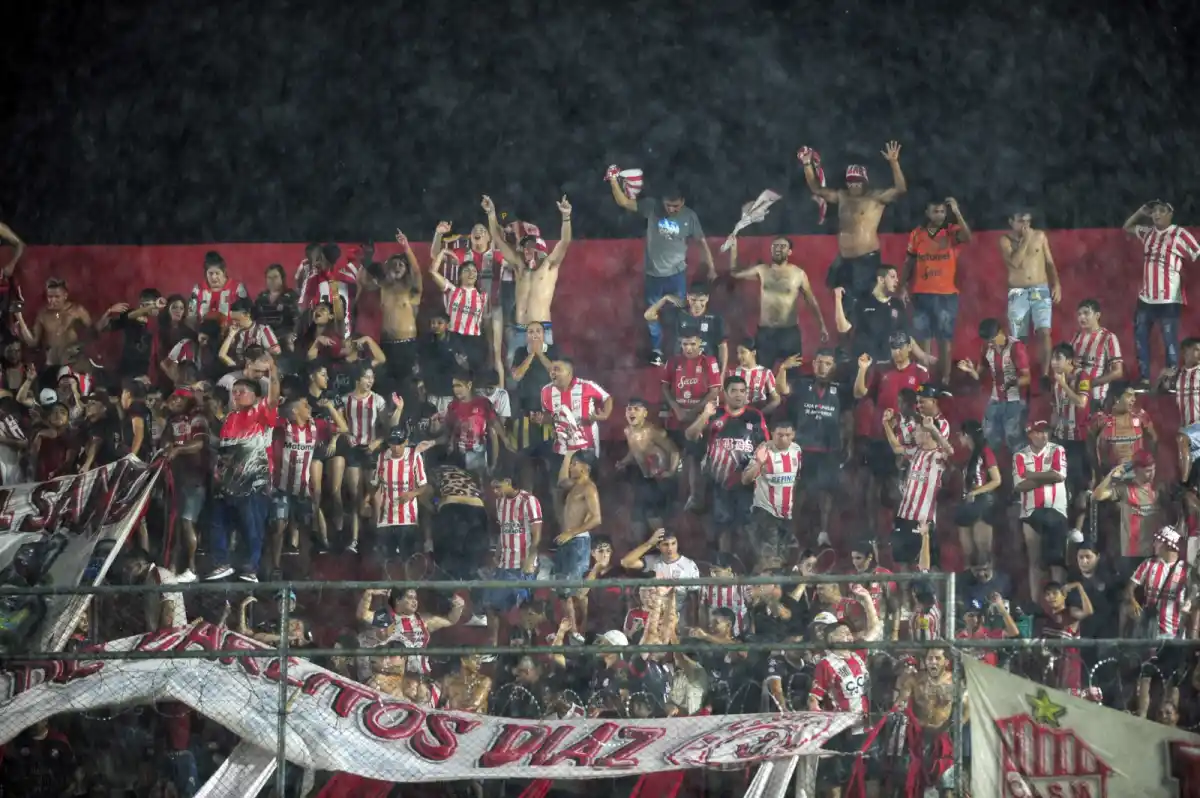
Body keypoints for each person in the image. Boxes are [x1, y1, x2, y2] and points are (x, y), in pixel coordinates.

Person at [799, 142, 907, 328]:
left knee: (865, 303)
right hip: (845, 259)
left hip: (866, 259)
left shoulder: (875, 197)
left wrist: (894, 162)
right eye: (850, 181)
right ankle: (847, 345)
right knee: (841, 299)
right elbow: (817, 189)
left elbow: (900, 189)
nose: (853, 185)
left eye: (857, 181)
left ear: (864, 181)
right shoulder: (842, 196)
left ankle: (866, 343)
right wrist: (807, 164)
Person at [608, 181, 715, 366]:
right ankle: (657, 351)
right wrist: (612, 179)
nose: (672, 209)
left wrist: (711, 267)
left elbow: (702, 242)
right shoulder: (652, 207)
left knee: (680, 314)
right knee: (652, 315)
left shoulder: (689, 216)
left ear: (683, 202)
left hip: (676, 275)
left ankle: (678, 352)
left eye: (676, 206)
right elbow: (624, 202)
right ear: (662, 202)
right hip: (654, 275)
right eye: (668, 205)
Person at [206, 355, 280, 582]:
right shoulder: (230, 418)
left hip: (253, 482)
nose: (236, 395)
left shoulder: (260, 412)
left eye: (242, 391)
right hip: (226, 483)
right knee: (217, 522)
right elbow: (225, 451)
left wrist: (272, 370)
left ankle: (251, 568)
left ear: (256, 396)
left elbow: (274, 395)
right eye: (234, 392)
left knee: (252, 527)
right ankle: (222, 563)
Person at [482, 194, 574, 365]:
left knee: (543, 373)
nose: (525, 251)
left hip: (541, 330)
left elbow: (565, 241)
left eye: (530, 248)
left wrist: (566, 217)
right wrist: (491, 213)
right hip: (519, 329)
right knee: (514, 372)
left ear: (539, 249)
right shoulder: (520, 266)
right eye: (524, 248)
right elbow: (497, 238)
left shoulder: (549, 265)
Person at [686, 376, 770, 554]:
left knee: (746, 526)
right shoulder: (715, 414)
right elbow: (691, 435)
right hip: (718, 481)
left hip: (746, 481)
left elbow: (764, 444)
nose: (739, 395)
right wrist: (704, 415)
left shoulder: (754, 416)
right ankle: (725, 564)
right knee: (723, 526)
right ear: (725, 393)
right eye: (734, 391)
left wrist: (757, 467)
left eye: (742, 391)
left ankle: (747, 567)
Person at [1122, 200, 1200, 388]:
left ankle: (1170, 380)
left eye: (1162, 211)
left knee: (1169, 340)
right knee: (1140, 338)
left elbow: (1197, 252)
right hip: (1146, 298)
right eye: (1154, 211)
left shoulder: (1179, 234)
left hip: (1168, 299)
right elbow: (1127, 227)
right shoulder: (1148, 233)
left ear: (1170, 214)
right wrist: (1141, 211)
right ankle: (1144, 379)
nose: (1157, 214)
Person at [728, 234, 829, 367]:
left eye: (782, 246)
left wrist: (822, 326)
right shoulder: (762, 270)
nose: (778, 249)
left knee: (792, 376)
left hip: (789, 333)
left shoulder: (798, 274)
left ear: (789, 251)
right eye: (775, 246)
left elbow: (811, 301)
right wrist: (733, 248)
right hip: (766, 333)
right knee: (763, 374)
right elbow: (734, 273)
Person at [270, 395, 346, 570]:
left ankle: (305, 567)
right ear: (295, 411)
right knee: (279, 528)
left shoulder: (316, 426)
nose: (310, 408)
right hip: (281, 488)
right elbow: (267, 419)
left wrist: (330, 407)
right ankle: (275, 566)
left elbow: (343, 428)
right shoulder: (283, 426)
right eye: (305, 405)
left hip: (303, 489)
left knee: (306, 529)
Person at [779, 349, 846, 547]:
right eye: (819, 362)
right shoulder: (802, 384)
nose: (822, 367)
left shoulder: (840, 389)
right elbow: (782, 389)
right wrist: (782, 368)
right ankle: (791, 534)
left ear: (833, 367)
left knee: (825, 492)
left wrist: (845, 442)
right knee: (798, 491)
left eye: (827, 363)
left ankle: (824, 533)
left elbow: (847, 419)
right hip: (803, 448)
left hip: (828, 449)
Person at [903, 197, 972, 384]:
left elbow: (968, 237)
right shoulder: (917, 234)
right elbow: (909, 261)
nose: (939, 215)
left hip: (946, 296)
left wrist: (957, 212)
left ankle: (945, 381)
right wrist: (902, 285)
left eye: (942, 211)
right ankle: (924, 381)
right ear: (927, 213)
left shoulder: (951, 232)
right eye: (935, 211)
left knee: (944, 340)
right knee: (923, 338)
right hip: (922, 293)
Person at [539, 356, 612, 522]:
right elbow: (549, 417)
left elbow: (607, 398)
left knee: (587, 489)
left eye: (557, 369)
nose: (553, 372)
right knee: (558, 490)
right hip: (562, 447)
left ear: (569, 373)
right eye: (551, 369)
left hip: (587, 446)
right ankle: (565, 530)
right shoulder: (545, 391)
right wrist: (542, 419)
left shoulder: (586, 386)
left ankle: (588, 530)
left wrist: (605, 414)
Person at [340, 366, 400, 554]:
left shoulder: (378, 400)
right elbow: (339, 425)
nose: (370, 381)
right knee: (356, 495)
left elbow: (388, 426)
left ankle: (378, 539)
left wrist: (377, 442)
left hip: (371, 450)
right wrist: (345, 436)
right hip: (353, 451)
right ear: (357, 379)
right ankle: (355, 540)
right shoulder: (345, 399)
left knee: (375, 496)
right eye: (367, 377)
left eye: (372, 378)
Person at [883, 412, 954, 569]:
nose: (914, 433)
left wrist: (932, 428)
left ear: (928, 434)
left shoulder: (937, 455)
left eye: (918, 430)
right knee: (903, 567)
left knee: (925, 568)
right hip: (904, 517)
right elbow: (896, 448)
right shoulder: (915, 451)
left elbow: (950, 451)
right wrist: (886, 424)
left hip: (923, 520)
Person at [891, 648, 964, 796]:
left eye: (937, 658)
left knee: (946, 783)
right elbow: (899, 704)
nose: (933, 662)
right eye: (930, 658)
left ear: (946, 662)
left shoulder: (956, 682)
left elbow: (966, 709)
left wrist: (953, 726)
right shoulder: (915, 680)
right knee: (913, 781)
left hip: (945, 739)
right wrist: (900, 682)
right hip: (919, 738)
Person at [999, 209, 1061, 383]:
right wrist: (1025, 240)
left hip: (1040, 289)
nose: (1025, 225)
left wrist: (1056, 283)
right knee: (1019, 337)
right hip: (1017, 291)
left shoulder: (1040, 236)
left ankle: (1045, 375)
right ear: (1011, 221)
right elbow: (1015, 262)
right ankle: (1023, 373)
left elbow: (1049, 262)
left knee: (1044, 331)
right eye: (1021, 221)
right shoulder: (1005, 240)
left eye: (1028, 221)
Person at [662, 332, 722, 509]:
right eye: (685, 344)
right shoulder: (673, 362)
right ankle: (675, 497)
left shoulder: (709, 362)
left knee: (695, 456)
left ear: (700, 345)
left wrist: (693, 411)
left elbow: (714, 391)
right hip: (678, 417)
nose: (688, 348)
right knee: (675, 455)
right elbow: (665, 387)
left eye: (692, 344)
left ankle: (696, 498)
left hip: (700, 418)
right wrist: (677, 408)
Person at [358, 231, 423, 393]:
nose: (397, 266)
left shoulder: (412, 291)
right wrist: (367, 259)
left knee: (408, 388)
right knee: (385, 387)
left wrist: (406, 247)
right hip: (386, 346)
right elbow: (364, 281)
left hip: (407, 346)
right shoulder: (382, 288)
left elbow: (416, 272)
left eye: (401, 264)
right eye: (393, 264)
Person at [957, 317, 1031, 455]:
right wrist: (971, 370)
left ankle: (1022, 472)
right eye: (987, 340)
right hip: (996, 398)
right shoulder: (986, 348)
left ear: (1001, 333)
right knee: (989, 436)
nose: (990, 343)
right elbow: (979, 375)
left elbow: (1027, 378)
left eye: (992, 339)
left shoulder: (1016, 347)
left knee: (1014, 438)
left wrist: (1012, 383)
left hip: (1015, 400)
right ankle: (993, 471)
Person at [1014, 420, 1070, 596]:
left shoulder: (1057, 450)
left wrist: (1031, 476)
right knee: (1035, 561)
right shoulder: (1020, 455)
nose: (1044, 435)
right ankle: (1036, 605)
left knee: (1057, 560)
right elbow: (1019, 486)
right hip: (1030, 513)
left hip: (1057, 511)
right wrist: (1047, 476)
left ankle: (1059, 602)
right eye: (1039, 432)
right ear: (1030, 434)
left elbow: (1059, 475)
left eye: (1046, 431)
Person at [742, 420, 802, 568]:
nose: (783, 439)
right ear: (772, 434)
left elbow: (796, 479)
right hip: (765, 511)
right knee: (769, 557)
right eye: (779, 435)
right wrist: (759, 463)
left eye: (787, 435)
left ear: (793, 435)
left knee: (784, 558)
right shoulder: (763, 450)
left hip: (786, 514)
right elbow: (745, 479)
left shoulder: (797, 450)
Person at [617, 397, 681, 537]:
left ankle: (664, 543)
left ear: (645, 413)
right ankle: (644, 547)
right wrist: (624, 462)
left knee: (653, 514)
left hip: (660, 478)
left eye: (636, 409)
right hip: (645, 476)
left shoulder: (652, 432)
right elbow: (634, 451)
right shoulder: (628, 431)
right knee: (638, 512)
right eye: (629, 409)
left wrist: (670, 472)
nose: (632, 412)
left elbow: (674, 451)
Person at [556, 449, 602, 638]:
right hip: (568, 541)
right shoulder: (574, 485)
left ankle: (581, 628)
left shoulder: (589, 488)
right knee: (563, 588)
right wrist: (568, 454)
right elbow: (560, 482)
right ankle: (573, 629)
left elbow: (597, 518)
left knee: (576, 589)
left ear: (585, 468)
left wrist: (572, 532)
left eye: (575, 463)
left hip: (578, 542)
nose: (571, 467)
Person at [162, 388, 207, 580]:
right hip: (175, 477)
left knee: (188, 522)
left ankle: (192, 568)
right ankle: (172, 565)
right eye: (172, 397)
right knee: (176, 524)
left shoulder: (197, 419)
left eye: (179, 398)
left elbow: (199, 444)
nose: (174, 401)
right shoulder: (172, 421)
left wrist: (178, 450)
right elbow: (165, 443)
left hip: (195, 477)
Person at [1092, 449, 1168, 563]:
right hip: (1133, 554)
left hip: (1155, 552)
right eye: (1148, 471)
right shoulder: (1125, 488)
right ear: (1136, 470)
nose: (1152, 474)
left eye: (1153, 469)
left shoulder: (1159, 488)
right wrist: (1112, 474)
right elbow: (1097, 495)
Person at [1049, 342, 1093, 537]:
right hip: (1060, 439)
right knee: (1060, 484)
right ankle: (1063, 527)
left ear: (1070, 361)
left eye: (1058, 358)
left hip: (1079, 440)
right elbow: (1056, 409)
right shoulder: (1056, 380)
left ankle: (1079, 528)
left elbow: (1082, 403)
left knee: (1078, 484)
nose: (1054, 363)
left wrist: (1064, 385)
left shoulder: (1083, 377)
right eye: (1053, 358)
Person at [429, 249, 492, 382]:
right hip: (454, 338)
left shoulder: (483, 296)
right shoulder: (452, 291)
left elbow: (484, 322)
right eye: (466, 270)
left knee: (473, 378)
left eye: (474, 271)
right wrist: (443, 252)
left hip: (475, 341)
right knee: (454, 376)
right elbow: (433, 272)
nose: (471, 273)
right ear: (459, 276)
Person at [373, 427, 433, 560]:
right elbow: (376, 485)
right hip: (386, 519)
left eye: (399, 443)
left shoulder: (414, 456)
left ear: (406, 442)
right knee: (388, 560)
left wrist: (412, 494)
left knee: (407, 558)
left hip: (408, 518)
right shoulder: (382, 457)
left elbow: (424, 485)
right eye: (393, 443)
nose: (395, 447)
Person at [643, 280, 728, 371]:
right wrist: (665, 298)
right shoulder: (678, 313)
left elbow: (722, 347)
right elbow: (648, 316)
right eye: (693, 300)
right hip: (680, 368)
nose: (697, 304)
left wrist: (722, 374)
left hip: (705, 369)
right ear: (687, 297)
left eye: (701, 300)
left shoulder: (715, 318)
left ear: (707, 298)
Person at [16, 277, 92, 368]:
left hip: (73, 364)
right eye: (50, 297)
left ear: (65, 295)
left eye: (57, 297)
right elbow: (33, 342)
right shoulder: (43, 314)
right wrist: (19, 317)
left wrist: (80, 347)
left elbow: (92, 335)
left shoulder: (77, 311)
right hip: (52, 365)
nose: (52, 301)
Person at [955, 419, 1001, 564]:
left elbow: (997, 480)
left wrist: (976, 492)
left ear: (966, 435)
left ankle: (988, 580)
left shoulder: (985, 452)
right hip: (967, 503)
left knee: (983, 552)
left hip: (982, 502)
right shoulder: (969, 455)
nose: (959, 438)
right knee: (968, 553)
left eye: (960, 435)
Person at [441, 371, 504, 476]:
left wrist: (494, 463)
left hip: (477, 456)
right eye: (454, 386)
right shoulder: (452, 406)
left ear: (469, 385)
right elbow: (449, 430)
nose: (455, 390)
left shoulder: (483, 403)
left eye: (459, 386)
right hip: (458, 457)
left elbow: (494, 430)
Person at [96, 290, 167, 380]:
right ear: (141, 305)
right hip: (127, 371)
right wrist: (109, 311)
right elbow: (99, 327)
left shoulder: (159, 322)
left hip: (144, 373)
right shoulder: (131, 317)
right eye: (149, 305)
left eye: (156, 305)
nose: (154, 308)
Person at [1093, 380, 1156, 472]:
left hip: (1137, 474)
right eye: (1129, 395)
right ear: (1117, 398)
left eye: (1134, 395)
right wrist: (1098, 474)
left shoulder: (1140, 415)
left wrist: (1148, 463)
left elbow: (1153, 438)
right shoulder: (1101, 419)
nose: (1134, 399)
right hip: (1110, 475)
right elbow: (1091, 449)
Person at [1071, 299, 1123, 403]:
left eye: (1086, 313)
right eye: (1079, 314)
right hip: (1074, 396)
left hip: (1096, 398)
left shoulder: (1108, 337)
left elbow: (1118, 371)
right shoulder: (1076, 337)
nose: (1082, 317)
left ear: (1097, 315)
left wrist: (1090, 383)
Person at [188, 250, 248, 324]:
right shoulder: (197, 289)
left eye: (217, 273)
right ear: (205, 274)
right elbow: (191, 315)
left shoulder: (238, 288)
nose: (214, 277)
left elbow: (246, 315)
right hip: (204, 332)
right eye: (210, 273)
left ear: (224, 272)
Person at [219, 297, 281, 368]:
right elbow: (223, 355)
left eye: (236, 320)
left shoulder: (262, 330)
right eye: (232, 319)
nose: (234, 323)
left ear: (247, 315)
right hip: (238, 368)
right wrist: (230, 336)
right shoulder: (233, 332)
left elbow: (276, 352)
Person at [253, 263, 299, 349]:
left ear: (282, 278)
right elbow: (254, 319)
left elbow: (298, 321)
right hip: (263, 340)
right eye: (269, 278)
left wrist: (292, 337)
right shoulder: (261, 298)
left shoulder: (292, 297)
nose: (272, 280)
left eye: (275, 277)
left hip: (285, 339)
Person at [729, 338, 781, 413]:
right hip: (739, 413)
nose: (739, 356)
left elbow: (776, 398)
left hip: (759, 411)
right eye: (737, 353)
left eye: (742, 352)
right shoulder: (733, 372)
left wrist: (763, 412)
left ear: (753, 352)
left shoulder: (766, 372)